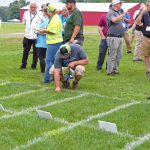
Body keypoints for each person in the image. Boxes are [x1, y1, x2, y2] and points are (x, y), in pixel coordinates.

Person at [38, 4, 63, 83]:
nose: (46, 11)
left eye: (47, 10)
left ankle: (47, 78)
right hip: (55, 42)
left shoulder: (55, 19)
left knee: (49, 61)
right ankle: (53, 77)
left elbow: (53, 31)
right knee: (53, 61)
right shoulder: (55, 17)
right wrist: (45, 29)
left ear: (50, 11)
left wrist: (43, 31)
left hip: (53, 42)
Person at [106, 0, 128, 75]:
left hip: (119, 37)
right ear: (115, 4)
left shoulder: (118, 12)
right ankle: (109, 71)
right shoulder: (110, 12)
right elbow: (114, 20)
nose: (121, 4)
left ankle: (115, 69)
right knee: (112, 55)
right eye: (120, 3)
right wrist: (123, 14)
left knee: (119, 55)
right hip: (113, 37)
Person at [20, 1, 44, 69]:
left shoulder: (40, 14)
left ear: (37, 7)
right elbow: (24, 23)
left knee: (35, 52)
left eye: (34, 7)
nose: (33, 8)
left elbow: (43, 23)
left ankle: (33, 66)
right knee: (25, 51)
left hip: (36, 36)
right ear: (29, 7)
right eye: (31, 7)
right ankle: (23, 65)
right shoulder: (26, 13)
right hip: (27, 36)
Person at [136, 0, 150, 77]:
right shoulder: (144, 14)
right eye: (147, 5)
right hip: (145, 37)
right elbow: (138, 22)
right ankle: (148, 70)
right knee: (146, 55)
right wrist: (141, 12)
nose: (148, 7)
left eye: (149, 5)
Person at [35, 5, 49, 73]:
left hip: (41, 43)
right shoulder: (49, 21)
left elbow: (43, 31)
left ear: (45, 12)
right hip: (46, 43)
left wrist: (37, 31)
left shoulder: (46, 21)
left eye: (42, 11)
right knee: (46, 58)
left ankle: (43, 71)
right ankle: (46, 71)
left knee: (41, 58)